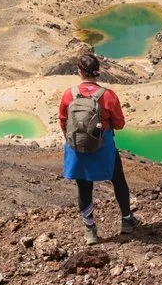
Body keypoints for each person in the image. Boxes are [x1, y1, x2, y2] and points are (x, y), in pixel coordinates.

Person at [58, 52, 140, 244]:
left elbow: (63, 121)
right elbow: (119, 124)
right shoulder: (108, 95)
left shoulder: (68, 94)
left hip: (77, 146)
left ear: (79, 72)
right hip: (103, 146)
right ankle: (127, 221)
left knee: (84, 188)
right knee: (118, 180)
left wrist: (75, 139)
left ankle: (90, 231)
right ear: (98, 72)